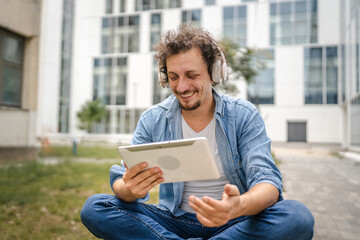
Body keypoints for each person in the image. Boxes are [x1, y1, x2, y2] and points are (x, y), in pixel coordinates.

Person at [81, 24, 314, 240]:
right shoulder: (153, 120)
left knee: (297, 216)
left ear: (213, 72)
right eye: (173, 77)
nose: (182, 87)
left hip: (235, 220)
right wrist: (128, 189)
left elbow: (268, 184)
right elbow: (123, 185)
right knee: (95, 208)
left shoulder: (243, 115)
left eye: (191, 75)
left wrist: (237, 206)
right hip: (175, 220)